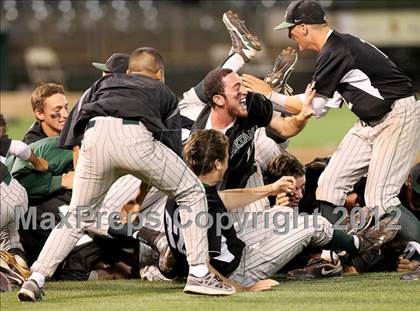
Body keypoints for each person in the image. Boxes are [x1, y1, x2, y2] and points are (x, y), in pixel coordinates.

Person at [18, 47, 233, 302]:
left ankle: (35, 279)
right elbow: (170, 148)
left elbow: (72, 134)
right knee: (192, 191)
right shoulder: (161, 90)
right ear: (159, 73)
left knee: (77, 217)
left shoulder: (98, 86)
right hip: (135, 137)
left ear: (130, 70)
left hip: (93, 139)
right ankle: (199, 274)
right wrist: (141, 194)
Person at [242, 0, 419, 239]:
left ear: (304, 27)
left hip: (397, 116)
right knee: (330, 183)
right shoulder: (336, 48)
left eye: (290, 28)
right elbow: (319, 104)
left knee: (381, 198)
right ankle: (331, 255)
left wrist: (269, 95)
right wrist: (273, 96)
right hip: (371, 122)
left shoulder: (335, 50)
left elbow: (312, 107)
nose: (289, 34)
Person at [165, 129, 397, 289]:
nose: (227, 163)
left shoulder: (186, 191)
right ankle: (359, 245)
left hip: (232, 249)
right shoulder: (205, 211)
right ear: (217, 164)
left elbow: (221, 199)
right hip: (236, 272)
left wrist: (270, 189)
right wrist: (244, 289)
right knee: (312, 225)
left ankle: (332, 254)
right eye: (225, 159)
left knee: (283, 213)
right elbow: (205, 265)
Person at [0, 114, 48, 284]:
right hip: (17, 195)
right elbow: (20, 148)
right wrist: (38, 162)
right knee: (10, 239)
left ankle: (3, 270)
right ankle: (20, 271)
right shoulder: (3, 142)